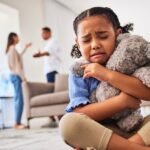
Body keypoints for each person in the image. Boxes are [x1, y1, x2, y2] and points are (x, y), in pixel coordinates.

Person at [59, 7, 150, 150]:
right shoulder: (78, 72)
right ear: (78, 43)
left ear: (117, 34)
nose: (95, 45)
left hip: (134, 130)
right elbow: (79, 114)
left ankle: (128, 146)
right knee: (68, 124)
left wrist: (107, 74)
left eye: (103, 36)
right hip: (102, 133)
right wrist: (122, 101)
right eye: (86, 40)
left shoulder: (128, 61)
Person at [33, 27, 62, 127]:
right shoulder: (48, 43)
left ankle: (54, 117)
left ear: (48, 32)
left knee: (52, 92)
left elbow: (48, 52)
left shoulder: (52, 41)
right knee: (52, 91)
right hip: (49, 70)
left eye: (43, 33)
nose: (41, 36)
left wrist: (40, 54)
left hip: (52, 70)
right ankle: (53, 117)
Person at [6, 32, 32, 129]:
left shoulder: (11, 49)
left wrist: (25, 48)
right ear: (13, 37)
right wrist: (23, 77)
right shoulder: (12, 48)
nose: (19, 38)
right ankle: (17, 123)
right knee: (19, 100)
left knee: (18, 99)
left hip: (14, 76)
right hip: (16, 76)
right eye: (17, 36)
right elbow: (16, 65)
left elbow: (18, 58)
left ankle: (17, 122)